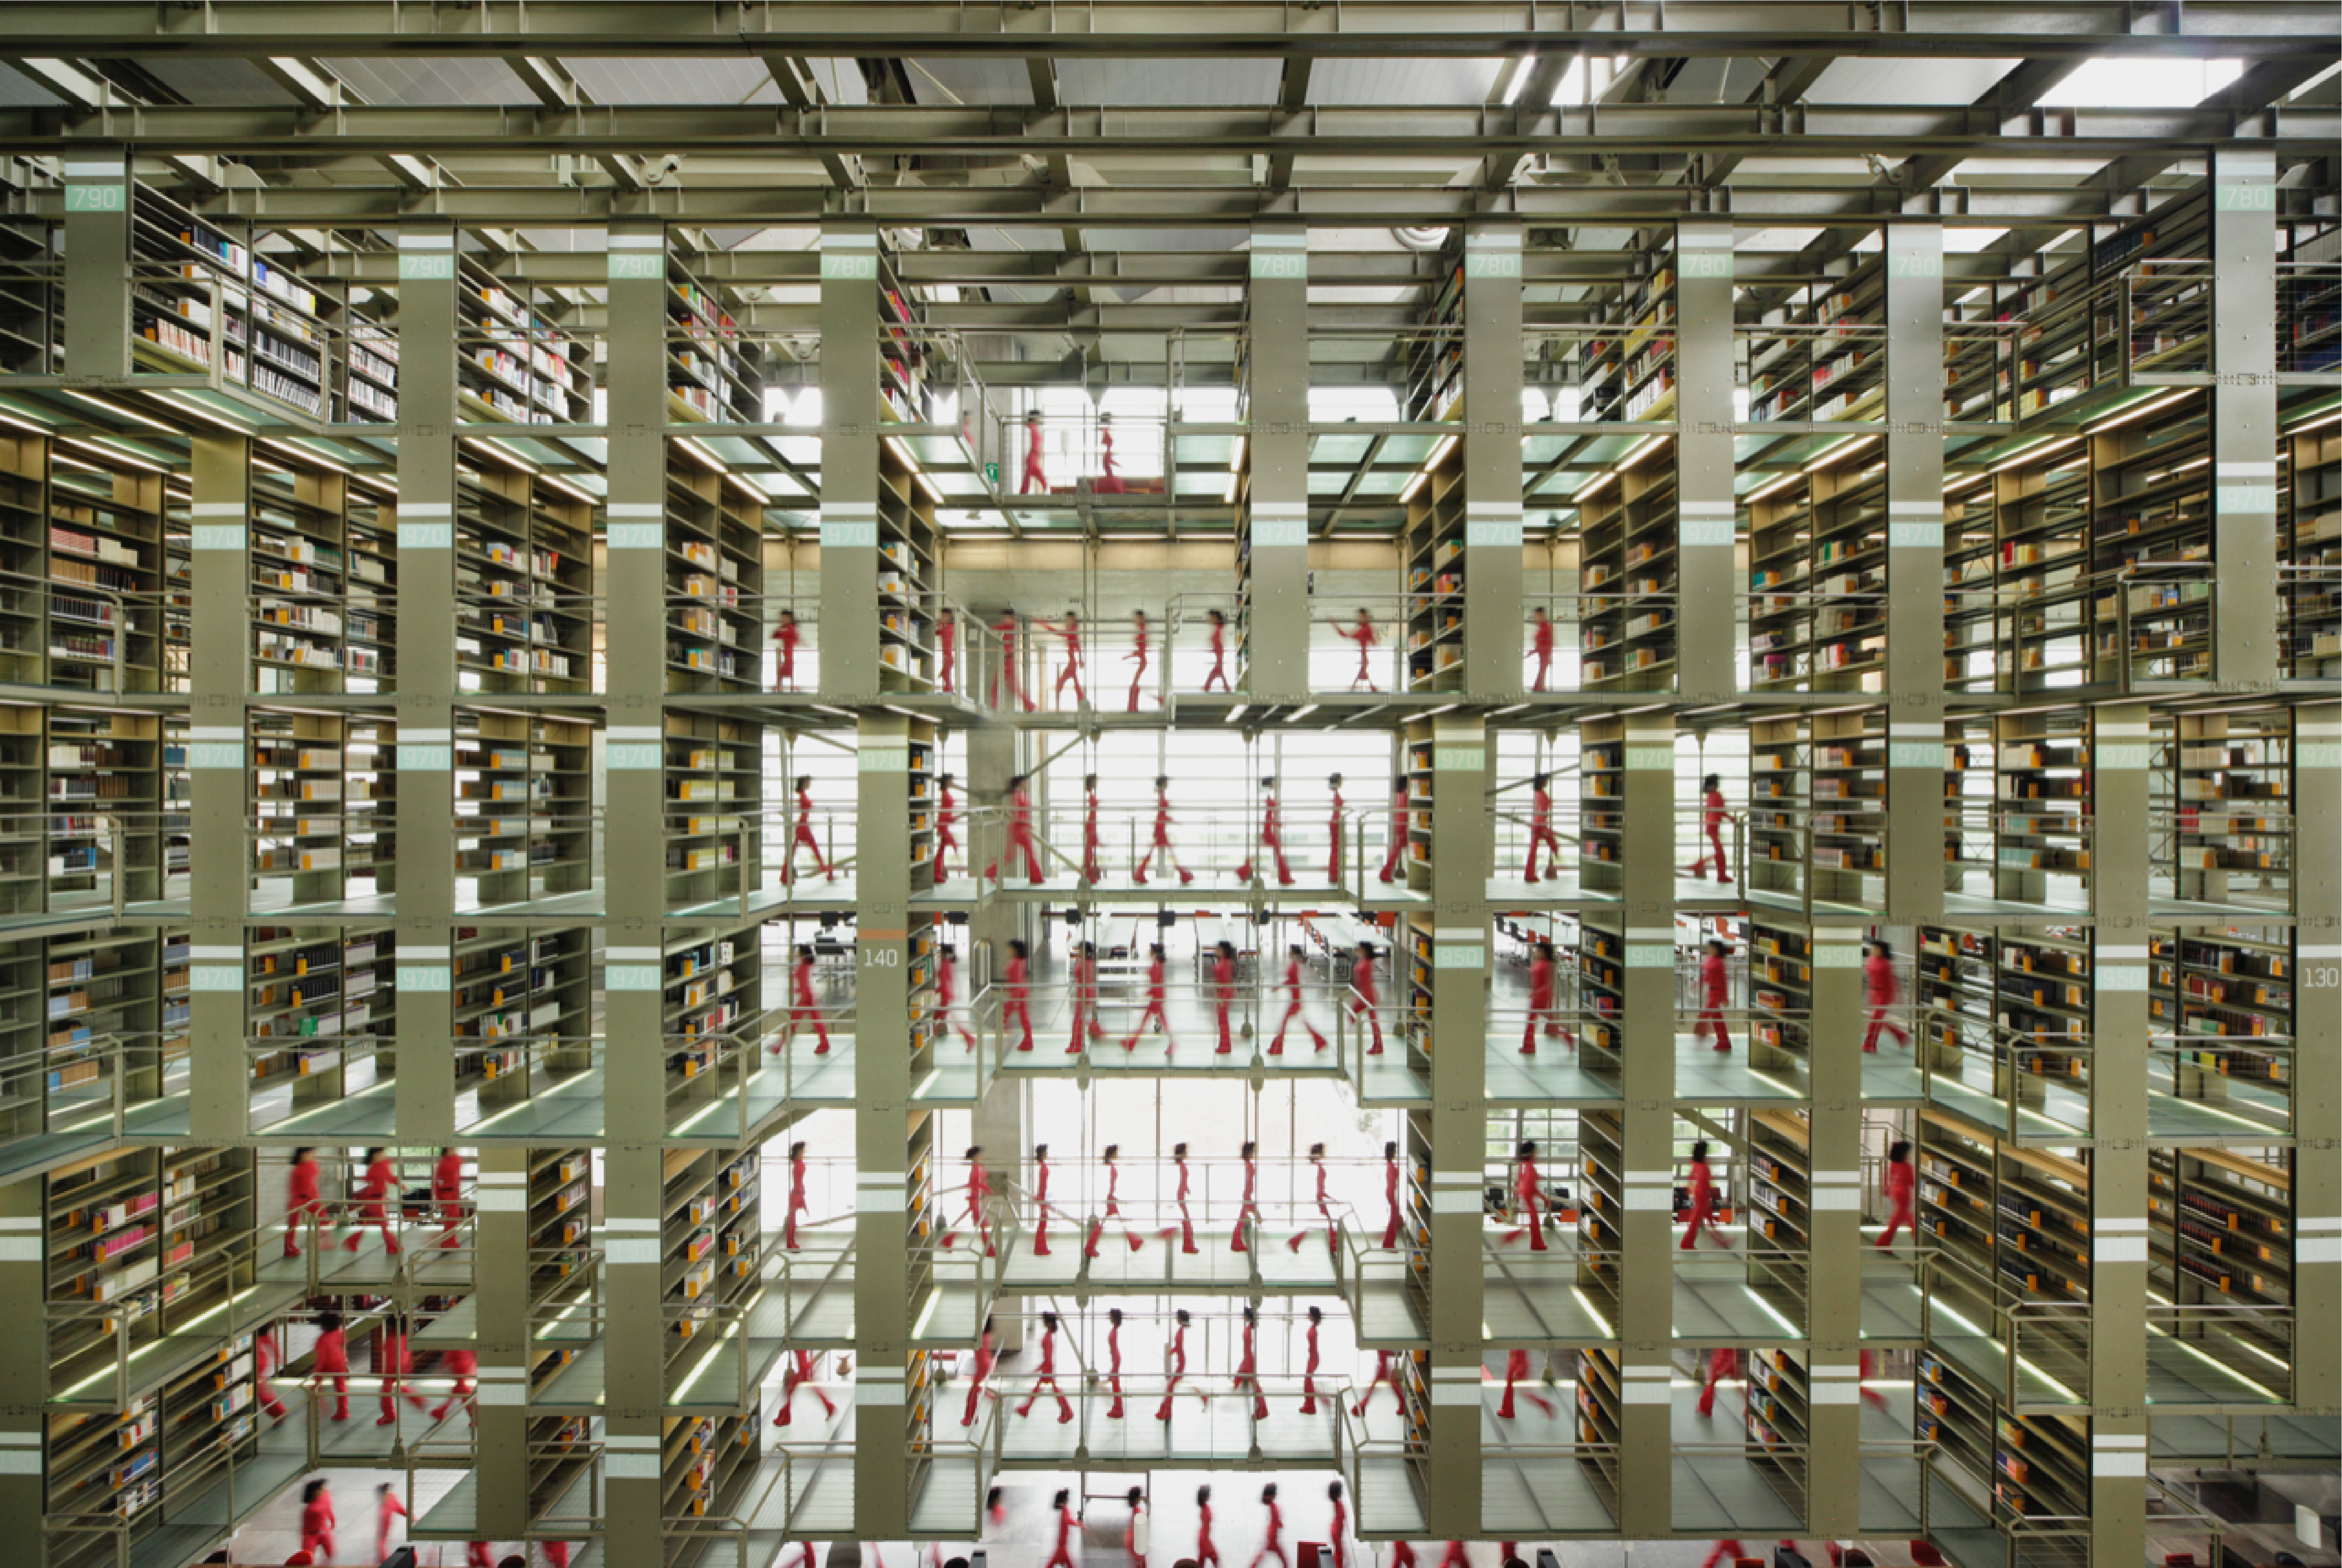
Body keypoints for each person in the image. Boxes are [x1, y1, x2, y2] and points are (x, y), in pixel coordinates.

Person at [1132, 776, 1195, 886]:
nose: (1168, 785)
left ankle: (1140, 872)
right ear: (1163, 784)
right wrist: (1172, 821)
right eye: (1166, 783)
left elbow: (1162, 814)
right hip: (1160, 827)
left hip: (1161, 826)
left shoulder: (1161, 795)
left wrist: (1171, 821)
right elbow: (1162, 814)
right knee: (1165, 851)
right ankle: (1182, 873)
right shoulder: (1161, 796)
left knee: (1159, 851)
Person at [774, 943, 832, 1055]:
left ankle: (779, 1046)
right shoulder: (805, 964)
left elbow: (804, 985)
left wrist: (796, 991)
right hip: (810, 996)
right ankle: (825, 1044)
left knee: (793, 1022)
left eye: (798, 951)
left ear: (802, 953)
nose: (797, 953)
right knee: (816, 1022)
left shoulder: (803, 966)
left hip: (806, 998)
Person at [1236, 775, 1295, 886]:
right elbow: (1269, 815)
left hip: (1268, 828)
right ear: (1270, 784)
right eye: (1274, 782)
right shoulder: (1268, 796)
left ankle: (1243, 870)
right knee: (1278, 853)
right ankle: (1284, 878)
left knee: (1269, 852)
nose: (1276, 784)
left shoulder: (1268, 796)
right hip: (1268, 829)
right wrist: (1277, 823)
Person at [1269, 944, 1328, 1055]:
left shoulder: (1295, 965)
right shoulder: (1295, 964)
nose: (1288, 953)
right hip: (1295, 998)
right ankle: (1320, 1041)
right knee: (1301, 1022)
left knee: (1284, 1024)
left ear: (1294, 953)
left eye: (1290, 951)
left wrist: (1279, 986)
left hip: (1296, 999)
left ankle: (1277, 1048)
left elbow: (1292, 981)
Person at [1018, 1309, 1074, 1422]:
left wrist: (1040, 1368)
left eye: (1044, 1320)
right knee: (1045, 1389)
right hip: (1048, 1367)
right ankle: (1026, 1408)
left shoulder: (1048, 1337)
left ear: (1048, 1322)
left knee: (1052, 1390)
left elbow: (1048, 1357)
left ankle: (1068, 1411)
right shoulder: (1048, 1335)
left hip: (1048, 1367)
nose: (1042, 1322)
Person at [941, 1146, 996, 1257]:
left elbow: (981, 1180)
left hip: (977, 1199)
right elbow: (976, 1183)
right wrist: (988, 1189)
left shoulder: (979, 1167)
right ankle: (989, 1250)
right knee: (983, 1224)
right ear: (976, 1156)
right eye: (981, 1154)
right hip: (975, 1199)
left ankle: (948, 1239)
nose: (983, 1156)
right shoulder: (976, 1168)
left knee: (979, 1223)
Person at [782, 775, 836, 883]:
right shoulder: (801, 795)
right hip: (803, 825)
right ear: (804, 783)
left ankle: (785, 875)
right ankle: (825, 870)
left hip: (803, 824)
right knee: (812, 848)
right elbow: (803, 808)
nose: (809, 784)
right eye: (808, 782)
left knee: (794, 851)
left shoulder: (803, 794)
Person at [345, 1145, 398, 1255]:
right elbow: (372, 1181)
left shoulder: (383, 1166)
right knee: (384, 1224)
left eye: (383, 1153)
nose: (383, 1156)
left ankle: (351, 1242)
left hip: (379, 1199)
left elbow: (389, 1177)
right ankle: (393, 1246)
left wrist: (399, 1184)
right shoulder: (374, 1169)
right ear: (374, 1156)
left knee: (370, 1224)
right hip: (374, 1200)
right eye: (380, 1154)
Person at [1685, 771, 1735, 883]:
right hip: (1714, 825)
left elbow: (1710, 811)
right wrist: (1732, 818)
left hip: (1710, 824)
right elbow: (1721, 811)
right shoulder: (1717, 795)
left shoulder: (1710, 796)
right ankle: (1718, 874)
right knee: (1720, 852)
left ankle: (1702, 867)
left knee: (1719, 851)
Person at [377, 1314, 428, 1425]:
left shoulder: (392, 1339)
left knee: (386, 1392)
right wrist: (410, 1367)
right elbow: (408, 1353)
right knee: (400, 1387)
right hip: (403, 1367)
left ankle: (390, 1415)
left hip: (392, 1368)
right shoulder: (405, 1337)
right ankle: (418, 1399)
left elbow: (387, 1352)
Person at [1121, 945, 1173, 1051]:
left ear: (1154, 952)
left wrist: (1142, 995)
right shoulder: (1158, 965)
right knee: (1150, 1021)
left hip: (1156, 999)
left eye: (1150, 950)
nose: (1148, 952)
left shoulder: (1156, 966)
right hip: (1157, 998)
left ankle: (1132, 1043)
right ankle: (1132, 1043)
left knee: (1155, 1022)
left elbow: (1156, 985)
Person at [1681, 1139, 1729, 1251]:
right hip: (1702, 1196)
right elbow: (1703, 1181)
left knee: (1709, 1219)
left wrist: (1691, 1191)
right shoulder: (1702, 1166)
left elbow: (1693, 1178)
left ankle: (1720, 1240)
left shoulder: (1698, 1164)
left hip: (1701, 1196)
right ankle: (1687, 1244)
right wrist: (1711, 1191)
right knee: (1697, 1221)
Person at [1863, 938, 1910, 1052]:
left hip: (1884, 994)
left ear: (1882, 950)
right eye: (1872, 948)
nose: (1873, 950)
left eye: (1875, 949)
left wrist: (1897, 996)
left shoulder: (1885, 964)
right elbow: (1871, 977)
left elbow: (1891, 981)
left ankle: (1870, 1044)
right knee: (1879, 1020)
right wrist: (1870, 993)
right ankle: (1901, 1036)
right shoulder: (1872, 959)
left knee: (1875, 1020)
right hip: (1874, 992)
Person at [1289, 1144, 1335, 1254]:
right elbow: (1318, 1186)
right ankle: (1333, 1246)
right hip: (1318, 1199)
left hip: (1318, 1198)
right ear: (1319, 1153)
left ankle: (1295, 1242)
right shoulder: (1318, 1167)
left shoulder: (1315, 1166)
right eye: (1323, 1151)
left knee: (1323, 1222)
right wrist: (1324, 1196)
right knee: (1327, 1222)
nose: (1325, 1153)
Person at [1504, 1140, 1549, 1252]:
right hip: (1527, 1193)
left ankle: (1536, 1243)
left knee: (1535, 1220)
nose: (1538, 1152)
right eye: (1536, 1150)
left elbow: (1526, 1180)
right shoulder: (1529, 1165)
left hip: (1525, 1192)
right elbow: (1530, 1183)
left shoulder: (1527, 1164)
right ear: (1532, 1151)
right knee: (1534, 1220)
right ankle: (1534, 1243)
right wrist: (1544, 1198)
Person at [774, 1348, 838, 1426]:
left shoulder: (799, 1341)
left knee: (790, 1390)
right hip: (805, 1368)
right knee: (811, 1389)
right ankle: (830, 1407)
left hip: (804, 1369)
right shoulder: (800, 1342)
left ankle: (786, 1417)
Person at [1002, 773, 1045, 885]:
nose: (1028, 784)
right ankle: (1036, 877)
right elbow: (1016, 813)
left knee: (1013, 855)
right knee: (1027, 853)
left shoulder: (1021, 794)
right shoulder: (1017, 795)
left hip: (1022, 828)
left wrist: (1027, 824)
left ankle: (991, 872)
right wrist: (1025, 823)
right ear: (1021, 783)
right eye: (1026, 782)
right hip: (1019, 829)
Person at [282, 1146, 327, 1256]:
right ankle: (289, 1248)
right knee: (293, 1225)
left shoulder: (312, 1165)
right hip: (298, 1199)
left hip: (311, 1198)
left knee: (322, 1219)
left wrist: (315, 1198)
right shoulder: (298, 1169)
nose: (313, 1156)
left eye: (313, 1154)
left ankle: (323, 1241)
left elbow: (312, 1184)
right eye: (310, 1154)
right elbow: (299, 1187)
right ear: (303, 1155)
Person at [1523, 771, 1565, 884]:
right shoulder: (1541, 794)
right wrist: (1543, 828)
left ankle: (1529, 874)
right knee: (1550, 839)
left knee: (1534, 849)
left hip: (1537, 823)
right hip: (1540, 823)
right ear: (1542, 782)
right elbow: (1542, 810)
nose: (1547, 782)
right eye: (1546, 780)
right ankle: (1558, 858)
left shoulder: (1538, 793)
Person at [1154, 1309, 1196, 1421]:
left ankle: (1165, 1412)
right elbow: (1179, 1347)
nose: (1176, 1319)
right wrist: (1173, 1351)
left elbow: (1179, 1347)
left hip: (1181, 1362)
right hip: (1181, 1361)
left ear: (1181, 1319)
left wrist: (1172, 1351)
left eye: (1177, 1317)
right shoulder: (1181, 1330)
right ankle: (1166, 1412)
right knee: (1171, 1387)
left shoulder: (1181, 1331)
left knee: (1171, 1387)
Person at [991, 609, 1034, 713]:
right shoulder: (1005, 627)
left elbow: (1006, 631)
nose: (1005, 620)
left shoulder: (1013, 627)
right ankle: (994, 707)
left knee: (1014, 687)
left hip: (1009, 660)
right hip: (1003, 659)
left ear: (1012, 619)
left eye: (1007, 618)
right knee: (996, 685)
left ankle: (1030, 705)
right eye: (1004, 618)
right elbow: (993, 629)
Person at [1042, 610, 1087, 709]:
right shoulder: (1073, 630)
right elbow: (1078, 645)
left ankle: (1079, 704)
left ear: (1073, 620)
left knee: (1061, 684)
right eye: (1067, 620)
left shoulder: (1073, 630)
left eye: (1069, 619)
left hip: (1072, 663)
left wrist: (1044, 625)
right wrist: (1080, 659)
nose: (1067, 621)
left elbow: (1062, 635)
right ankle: (1082, 704)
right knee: (1075, 685)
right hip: (1072, 662)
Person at [1523, 938, 1561, 1054]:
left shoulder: (1547, 965)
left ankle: (1529, 1047)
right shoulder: (1538, 962)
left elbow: (1548, 983)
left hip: (1543, 996)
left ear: (1544, 952)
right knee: (1537, 1022)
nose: (1536, 952)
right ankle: (1529, 1046)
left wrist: (1537, 992)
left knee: (1534, 1022)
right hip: (1537, 995)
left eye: (1538, 950)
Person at [935, 948, 977, 1051]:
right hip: (947, 994)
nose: (938, 953)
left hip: (945, 996)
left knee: (939, 1019)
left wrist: (936, 990)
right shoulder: (949, 963)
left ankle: (969, 1038)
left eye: (940, 951)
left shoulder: (945, 964)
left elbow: (944, 982)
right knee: (939, 1019)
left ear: (943, 953)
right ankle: (969, 1038)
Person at [1231, 1305, 1268, 1420]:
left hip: (1249, 1359)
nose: (1243, 1316)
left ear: (1248, 1316)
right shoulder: (1249, 1328)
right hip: (1248, 1358)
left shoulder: (1248, 1329)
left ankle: (1262, 1410)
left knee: (1254, 1385)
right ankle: (1262, 1409)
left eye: (1244, 1315)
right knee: (1254, 1385)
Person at [311, 1309, 350, 1421]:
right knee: (341, 1387)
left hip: (327, 1365)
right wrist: (346, 1363)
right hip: (340, 1363)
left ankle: (318, 1410)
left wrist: (316, 1372)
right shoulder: (339, 1333)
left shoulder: (322, 1339)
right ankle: (343, 1412)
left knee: (316, 1387)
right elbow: (343, 1345)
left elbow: (321, 1358)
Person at [1878, 1140, 1916, 1252]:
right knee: (1899, 1221)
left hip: (1896, 1192)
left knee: (1902, 1219)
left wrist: (1888, 1189)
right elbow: (1912, 1182)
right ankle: (1883, 1243)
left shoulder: (1894, 1164)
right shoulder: (1907, 1167)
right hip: (1904, 1194)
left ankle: (1883, 1243)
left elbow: (1890, 1177)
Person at [1498, 1345, 1554, 1419]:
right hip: (1515, 1365)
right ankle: (1507, 1411)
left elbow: (1522, 1359)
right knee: (1510, 1391)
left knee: (1522, 1393)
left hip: (1516, 1366)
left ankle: (1545, 1405)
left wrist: (1518, 1371)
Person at [1068, 944, 1104, 1056]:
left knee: (1078, 1020)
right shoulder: (1085, 961)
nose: (1078, 950)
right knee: (1079, 1019)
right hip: (1084, 992)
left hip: (1084, 993)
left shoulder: (1086, 963)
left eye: (1080, 949)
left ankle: (1077, 1045)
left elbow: (1088, 980)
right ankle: (1076, 1043)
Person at [1697, 937, 1731, 1053]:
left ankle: (1702, 1035)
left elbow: (1724, 981)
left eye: (1711, 947)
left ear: (1717, 949)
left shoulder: (1720, 963)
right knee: (1717, 1018)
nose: (1708, 949)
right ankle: (1724, 1041)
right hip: (1710, 991)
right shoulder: (1709, 959)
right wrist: (1699, 984)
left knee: (1706, 1014)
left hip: (1717, 993)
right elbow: (1706, 975)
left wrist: (1725, 997)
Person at [1333, 607, 1380, 692]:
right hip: (1364, 656)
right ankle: (1369, 687)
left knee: (1363, 671)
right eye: (1359, 617)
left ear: (1365, 617)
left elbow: (1373, 642)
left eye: (1361, 617)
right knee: (1363, 671)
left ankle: (1362, 687)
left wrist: (1335, 625)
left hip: (1365, 656)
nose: (1359, 618)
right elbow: (1373, 642)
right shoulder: (1365, 629)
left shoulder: (1366, 629)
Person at [1351, 941, 1385, 1055]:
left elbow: (1365, 981)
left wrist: (1360, 996)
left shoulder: (1366, 963)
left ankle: (1354, 1043)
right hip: (1367, 994)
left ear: (1365, 950)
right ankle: (1378, 1045)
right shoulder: (1366, 961)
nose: (1358, 950)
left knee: (1353, 1015)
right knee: (1373, 1021)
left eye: (1360, 948)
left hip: (1366, 995)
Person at [960, 1316, 996, 1426]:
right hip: (985, 1365)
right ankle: (973, 1417)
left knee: (972, 1394)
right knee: (976, 1391)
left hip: (982, 1367)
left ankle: (969, 1419)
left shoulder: (980, 1337)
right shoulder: (986, 1336)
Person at [1003, 939, 1034, 1053]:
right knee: (1020, 1017)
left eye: (1010, 948)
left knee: (1007, 1017)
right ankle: (1026, 1040)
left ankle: (1015, 1040)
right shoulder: (1019, 960)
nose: (1008, 950)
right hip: (1019, 993)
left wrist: (1016, 998)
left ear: (1015, 950)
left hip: (1018, 993)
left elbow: (1017, 980)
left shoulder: (1017, 962)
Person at [433, 1345, 479, 1423]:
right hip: (467, 1368)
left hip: (460, 1370)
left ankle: (477, 1417)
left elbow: (449, 1357)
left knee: (466, 1396)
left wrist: (441, 1369)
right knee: (459, 1393)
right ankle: (441, 1411)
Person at [431, 1145, 465, 1250]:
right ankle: (447, 1242)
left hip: (454, 1192)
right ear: (448, 1150)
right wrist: (439, 1199)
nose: (455, 1150)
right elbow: (438, 1182)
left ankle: (450, 1241)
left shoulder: (455, 1159)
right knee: (451, 1219)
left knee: (454, 1219)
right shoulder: (443, 1164)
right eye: (453, 1149)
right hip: (447, 1193)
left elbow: (457, 1177)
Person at [1231, 1140, 1261, 1253]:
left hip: (1247, 1193)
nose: (1254, 1152)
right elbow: (1246, 1179)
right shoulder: (1247, 1164)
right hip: (1246, 1193)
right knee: (1242, 1219)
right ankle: (1236, 1243)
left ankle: (1237, 1243)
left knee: (1242, 1219)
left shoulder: (1248, 1163)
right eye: (1253, 1150)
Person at [1352, 1347, 1400, 1417]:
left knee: (1373, 1389)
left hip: (1383, 1365)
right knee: (1393, 1386)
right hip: (1384, 1364)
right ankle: (1362, 1406)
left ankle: (1362, 1407)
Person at [254, 1323, 288, 1421]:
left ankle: (280, 1413)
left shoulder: (256, 1335)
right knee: (264, 1393)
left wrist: (280, 1357)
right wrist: (280, 1357)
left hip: (258, 1366)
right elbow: (274, 1346)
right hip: (261, 1364)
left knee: (264, 1395)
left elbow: (273, 1346)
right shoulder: (263, 1333)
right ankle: (280, 1413)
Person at [1378, 777, 1409, 883]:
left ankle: (1385, 873)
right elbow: (1405, 812)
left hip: (1398, 825)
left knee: (1395, 852)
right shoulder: (1405, 796)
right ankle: (1385, 873)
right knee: (1395, 853)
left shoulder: (1398, 796)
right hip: (1403, 826)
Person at [1696, 1344, 1740, 1418]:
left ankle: (1705, 1407)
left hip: (1722, 1359)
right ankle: (1705, 1407)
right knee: (1739, 1386)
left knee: (1712, 1383)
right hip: (1723, 1358)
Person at [1171, 1143, 1200, 1255]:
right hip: (1180, 1196)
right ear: (1182, 1153)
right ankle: (1188, 1246)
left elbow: (1182, 1180)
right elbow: (1179, 1181)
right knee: (1187, 1222)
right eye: (1186, 1151)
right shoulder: (1180, 1166)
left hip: (1181, 1195)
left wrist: (1186, 1188)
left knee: (1187, 1222)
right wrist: (1184, 1189)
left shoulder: (1181, 1165)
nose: (1187, 1153)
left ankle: (1188, 1245)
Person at [298, 1478, 336, 1562]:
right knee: (307, 1555)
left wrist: (333, 1520)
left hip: (323, 1530)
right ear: (314, 1492)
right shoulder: (310, 1509)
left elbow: (328, 1509)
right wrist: (305, 1536)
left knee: (331, 1553)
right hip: (310, 1533)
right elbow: (306, 1524)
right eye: (322, 1489)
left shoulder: (326, 1496)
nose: (324, 1490)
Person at [1250, 1483, 1287, 1568]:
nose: (1277, 1494)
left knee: (1262, 1556)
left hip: (1271, 1535)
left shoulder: (1272, 1505)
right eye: (1276, 1492)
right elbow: (1275, 1520)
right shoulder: (1273, 1506)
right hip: (1272, 1537)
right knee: (1284, 1559)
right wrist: (1279, 1525)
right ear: (1272, 1495)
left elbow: (1275, 1520)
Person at [1212, 940, 1239, 1056]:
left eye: (1218, 949)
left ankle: (1226, 1045)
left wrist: (1224, 999)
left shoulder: (1226, 963)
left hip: (1225, 995)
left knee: (1223, 1021)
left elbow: (1228, 982)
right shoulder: (1223, 962)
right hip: (1221, 994)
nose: (1216, 951)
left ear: (1224, 951)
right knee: (1222, 1021)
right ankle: (1224, 1044)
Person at [1030, 1142, 1058, 1255]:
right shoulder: (1043, 1166)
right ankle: (1040, 1249)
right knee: (1043, 1223)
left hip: (1043, 1195)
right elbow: (1042, 1184)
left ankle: (1041, 1248)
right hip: (1042, 1196)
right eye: (1046, 1152)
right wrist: (1042, 1198)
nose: (1047, 1154)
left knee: (1043, 1223)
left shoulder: (1043, 1165)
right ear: (1042, 1154)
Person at [783, 1140, 811, 1250]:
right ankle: (790, 1244)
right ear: (800, 1151)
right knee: (792, 1221)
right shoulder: (797, 1163)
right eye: (804, 1149)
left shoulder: (798, 1161)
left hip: (798, 1192)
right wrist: (801, 1195)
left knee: (793, 1221)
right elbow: (797, 1181)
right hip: (796, 1193)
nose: (805, 1151)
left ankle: (792, 1242)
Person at [1298, 1304, 1325, 1413]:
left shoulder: (1313, 1329)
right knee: (1308, 1382)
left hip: (1314, 1359)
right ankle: (1309, 1405)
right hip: (1312, 1358)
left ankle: (1313, 1405)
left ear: (1313, 1316)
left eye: (1309, 1314)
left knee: (1308, 1382)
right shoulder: (1313, 1327)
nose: (1308, 1315)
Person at [934, 771, 960, 883]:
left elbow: (946, 811)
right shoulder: (945, 794)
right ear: (947, 781)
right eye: (951, 780)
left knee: (942, 850)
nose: (952, 783)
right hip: (944, 823)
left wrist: (953, 818)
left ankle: (937, 873)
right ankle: (937, 873)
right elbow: (944, 812)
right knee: (948, 846)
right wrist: (952, 818)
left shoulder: (946, 793)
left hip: (945, 823)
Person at [1104, 1306, 1128, 1417]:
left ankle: (1118, 1410)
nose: (1109, 1318)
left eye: (1111, 1316)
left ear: (1114, 1318)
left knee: (1116, 1385)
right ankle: (1117, 1408)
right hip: (1115, 1358)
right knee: (1115, 1384)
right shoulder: (1114, 1329)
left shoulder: (1114, 1330)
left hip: (1116, 1359)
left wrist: (1113, 1367)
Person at [375, 1482, 408, 1563]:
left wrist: (412, 1517)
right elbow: (401, 1510)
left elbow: (401, 1510)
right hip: (383, 1531)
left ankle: (385, 1562)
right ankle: (383, 1562)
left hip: (384, 1531)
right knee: (381, 1545)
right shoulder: (389, 1500)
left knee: (381, 1545)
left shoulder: (391, 1501)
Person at [1081, 774, 1104, 884]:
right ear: (1092, 782)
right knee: (1090, 850)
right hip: (1091, 823)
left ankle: (1090, 873)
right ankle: (1089, 874)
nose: (1097, 783)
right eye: (1095, 781)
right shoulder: (1089, 794)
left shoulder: (1091, 794)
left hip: (1093, 823)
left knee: (1092, 849)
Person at [772, 607, 802, 692]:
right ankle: (781, 690)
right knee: (782, 674)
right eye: (782, 617)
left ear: (790, 619)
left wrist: (781, 629)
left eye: (784, 617)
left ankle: (784, 691)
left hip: (790, 657)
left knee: (785, 675)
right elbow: (774, 635)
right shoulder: (787, 628)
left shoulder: (790, 628)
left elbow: (780, 635)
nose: (782, 619)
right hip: (787, 656)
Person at [1380, 1138, 1403, 1248]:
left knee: (1395, 1218)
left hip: (1391, 1193)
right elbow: (1391, 1180)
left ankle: (1389, 1243)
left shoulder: (1390, 1164)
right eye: (1395, 1150)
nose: (1396, 1152)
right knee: (1394, 1220)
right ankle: (1388, 1244)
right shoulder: (1390, 1166)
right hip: (1391, 1193)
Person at [1201, 608, 1231, 694]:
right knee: (1218, 670)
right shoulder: (1219, 627)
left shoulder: (1219, 628)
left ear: (1215, 618)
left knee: (1218, 670)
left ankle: (1208, 687)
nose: (1209, 619)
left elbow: (1218, 640)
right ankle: (1225, 687)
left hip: (1219, 650)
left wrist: (1213, 642)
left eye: (1211, 617)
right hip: (1218, 650)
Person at [1097, 411, 1126, 495]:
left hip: (1107, 455)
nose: (1111, 420)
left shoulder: (1106, 430)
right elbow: (1104, 443)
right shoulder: (1105, 430)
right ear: (1107, 419)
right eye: (1110, 419)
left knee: (1111, 476)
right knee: (1111, 477)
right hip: (1107, 455)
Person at [1126, 609, 1150, 712]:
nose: (1135, 620)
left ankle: (1133, 708)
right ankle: (1133, 708)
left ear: (1141, 618)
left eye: (1136, 618)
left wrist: (1130, 656)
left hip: (1142, 661)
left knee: (1134, 686)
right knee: (1134, 685)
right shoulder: (1141, 629)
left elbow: (1143, 649)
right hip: (1141, 660)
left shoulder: (1143, 630)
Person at [1021, 409, 1049, 496]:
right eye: (1039, 417)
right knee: (1037, 480)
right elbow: (1028, 441)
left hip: (1035, 457)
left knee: (1029, 480)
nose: (1040, 419)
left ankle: (1022, 497)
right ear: (1035, 418)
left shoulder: (1035, 427)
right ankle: (1047, 495)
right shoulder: (1031, 427)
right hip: (1033, 456)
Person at [1325, 772, 1346, 883]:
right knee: (1336, 850)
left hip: (1335, 821)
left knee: (1335, 849)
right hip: (1336, 822)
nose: (1342, 781)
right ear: (1337, 781)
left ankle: (1334, 875)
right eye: (1341, 780)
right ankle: (1334, 876)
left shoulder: (1335, 793)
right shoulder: (1336, 794)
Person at [1529, 604, 1554, 692]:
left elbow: (1550, 642)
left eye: (1538, 615)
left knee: (1542, 674)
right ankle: (1539, 689)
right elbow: (1540, 644)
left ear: (1542, 615)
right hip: (1541, 655)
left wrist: (1548, 656)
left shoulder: (1547, 628)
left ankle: (1539, 690)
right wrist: (1534, 651)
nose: (1536, 618)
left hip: (1545, 655)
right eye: (1536, 616)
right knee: (1541, 674)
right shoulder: (1540, 628)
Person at [1194, 1485, 1221, 1568]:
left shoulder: (1204, 1507)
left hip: (1203, 1537)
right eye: (1208, 1494)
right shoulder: (1205, 1509)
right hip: (1204, 1539)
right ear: (1204, 1497)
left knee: (1202, 1561)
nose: (1210, 1495)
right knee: (1215, 1559)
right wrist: (1207, 1544)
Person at [1326, 1482, 1349, 1568]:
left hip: (1336, 1531)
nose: (1342, 1492)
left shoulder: (1338, 1503)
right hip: (1336, 1533)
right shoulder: (1338, 1504)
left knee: (1340, 1555)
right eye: (1341, 1490)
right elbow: (1340, 1520)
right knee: (1340, 1556)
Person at [1126, 1485, 1149, 1568]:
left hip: (1132, 1540)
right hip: (1137, 1542)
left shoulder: (1135, 1510)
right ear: (1138, 1498)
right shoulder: (1139, 1511)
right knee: (1141, 1565)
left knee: (1139, 1564)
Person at [937, 604, 958, 694]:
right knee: (946, 676)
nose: (942, 618)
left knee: (947, 676)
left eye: (944, 616)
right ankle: (948, 692)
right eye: (942, 616)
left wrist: (939, 624)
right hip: (947, 656)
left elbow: (939, 632)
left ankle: (949, 693)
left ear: (950, 617)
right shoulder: (947, 627)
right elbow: (938, 632)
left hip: (948, 656)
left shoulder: (950, 627)